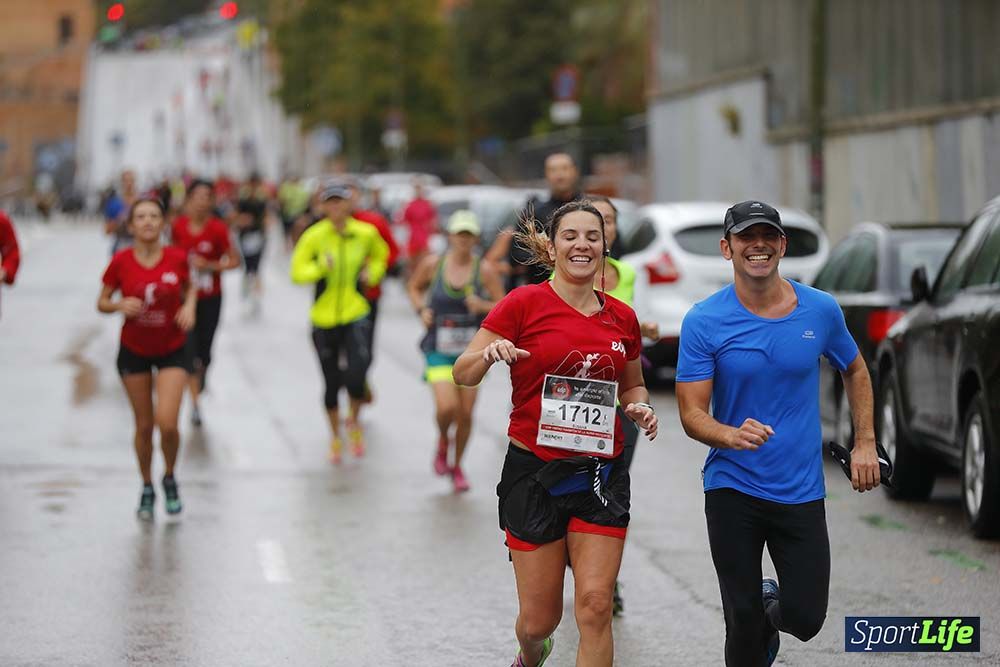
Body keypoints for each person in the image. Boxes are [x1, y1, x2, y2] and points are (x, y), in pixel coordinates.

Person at [675, 200, 880, 667]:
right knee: (741, 622)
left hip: (800, 489)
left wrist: (865, 440)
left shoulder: (820, 310)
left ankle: (771, 610)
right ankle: (754, 621)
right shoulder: (705, 320)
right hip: (732, 487)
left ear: (782, 245)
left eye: (768, 235)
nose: (759, 245)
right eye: (747, 237)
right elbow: (691, 413)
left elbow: (856, 368)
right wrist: (728, 435)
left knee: (806, 618)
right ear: (727, 248)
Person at [453, 200, 658, 667]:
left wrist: (640, 406)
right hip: (534, 474)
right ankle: (530, 654)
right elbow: (462, 374)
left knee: (594, 606)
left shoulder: (621, 317)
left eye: (593, 236)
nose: (582, 244)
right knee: (538, 621)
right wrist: (490, 353)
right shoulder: (523, 303)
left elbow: (633, 384)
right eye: (571, 236)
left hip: (599, 474)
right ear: (552, 245)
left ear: (606, 246)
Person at [97, 198, 198, 519]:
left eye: (154, 216)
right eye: (141, 217)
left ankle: (169, 476)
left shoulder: (177, 258)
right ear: (131, 225)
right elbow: (101, 301)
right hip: (134, 351)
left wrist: (189, 307)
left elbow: (190, 287)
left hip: (172, 348)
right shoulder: (121, 261)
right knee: (143, 427)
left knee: (167, 424)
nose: (148, 222)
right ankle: (145, 486)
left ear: (163, 223)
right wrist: (118, 305)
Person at [587, 195, 660, 616]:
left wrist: (645, 326)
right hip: (574, 397)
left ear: (612, 231)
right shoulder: (565, 275)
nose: (602, 227)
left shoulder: (630, 273)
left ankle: (605, 579)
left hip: (620, 394)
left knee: (611, 485)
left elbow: (642, 320)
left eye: (608, 221)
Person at [290, 181, 390, 464]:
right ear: (322, 206)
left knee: (357, 373)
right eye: (329, 202)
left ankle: (354, 423)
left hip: (355, 311)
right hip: (323, 318)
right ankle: (335, 436)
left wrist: (374, 271)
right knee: (331, 381)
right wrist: (321, 267)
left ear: (349, 204)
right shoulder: (315, 236)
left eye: (340, 201)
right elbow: (297, 272)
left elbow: (383, 254)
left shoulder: (364, 233)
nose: (335, 207)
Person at [407, 210, 505, 492]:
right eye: (458, 234)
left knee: (466, 413)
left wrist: (482, 306)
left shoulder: (483, 270)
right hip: (438, 347)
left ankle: (458, 465)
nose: (463, 240)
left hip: (472, 352)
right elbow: (413, 287)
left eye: (468, 235)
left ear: (475, 238)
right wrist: (421, 309)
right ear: (450, 236)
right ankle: (442, 440)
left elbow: (504, 306)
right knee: (447, 407)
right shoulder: (433, 264)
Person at [171, 179, 240, 426]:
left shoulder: (218, 229)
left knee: (205, 351)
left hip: (211, 298)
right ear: (188, 199)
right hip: (182, 300)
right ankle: (195, 405)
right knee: (187, 349)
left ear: (212, 201)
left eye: (206, 196)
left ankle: (202, 376)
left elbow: (234, 261)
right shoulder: (176, 227)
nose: (201, 201)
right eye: (197, 196)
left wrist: (210, 266)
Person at [487, 153, 583, 291]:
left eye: (564, 169)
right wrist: (548, 254)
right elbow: (517, 253)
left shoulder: (590, 209)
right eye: (553, 170)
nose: (559, 175)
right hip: (542, 289)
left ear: (575, 172)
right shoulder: (534, 211)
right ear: (546, 174)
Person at [351, 184, 401, 405]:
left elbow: (393, 251)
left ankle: (360, 381)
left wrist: (372, 268)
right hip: (336, 299)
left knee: (365, 350)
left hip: (368, 294)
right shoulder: (325, 227)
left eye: (351, 196)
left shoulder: (373, 222)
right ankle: (352, 388)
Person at [235, 172, 271, 311]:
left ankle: (256, 294)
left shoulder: (262, 199)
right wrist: (242, 220)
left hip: (258, 234)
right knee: (247, 265)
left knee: (256, 266)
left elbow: (266, 215)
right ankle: (246, 290)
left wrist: (264, 224)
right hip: (245, 235)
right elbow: (237, 214)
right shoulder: (243, 198)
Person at [399, 179, 438, 273]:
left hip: (424, 236)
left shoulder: (427, 204)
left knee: (424, 260)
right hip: (413, 237)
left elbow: (433, 221)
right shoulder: (409, 205)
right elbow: (404, 222)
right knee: (412, 263)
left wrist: (432, 233)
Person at [103, 169, 139, 255]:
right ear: (121, 182)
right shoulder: (113, 203)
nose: (129, 184)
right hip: (121, 244)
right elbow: (107, 231)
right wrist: (119, 221)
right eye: (126, 180)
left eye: (131, 180)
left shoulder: (142, 202)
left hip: (139, 245)